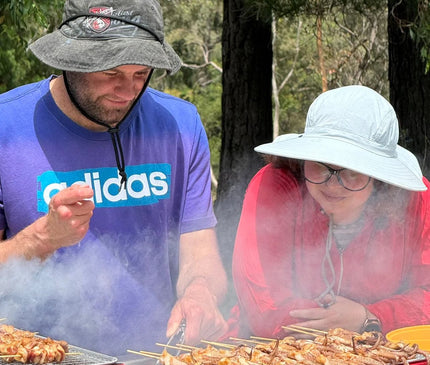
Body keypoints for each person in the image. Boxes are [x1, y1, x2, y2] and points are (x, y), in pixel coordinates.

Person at [0, 0, 227, 356]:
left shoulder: (180, 125)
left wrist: (201, 290)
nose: (128, 91)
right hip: (37, 357)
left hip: (158, 355)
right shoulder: (7, 127)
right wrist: (41, 239)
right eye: (111, 73)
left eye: (141, 73)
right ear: (70, 61)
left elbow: (200, 252)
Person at [229, 85, 430, 339]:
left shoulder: (417, 198)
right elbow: (263, 304)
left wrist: (368, 317)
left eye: (352, 170)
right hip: (270, 348)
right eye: (321, 165)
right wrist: (339, 326)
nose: (333, 183)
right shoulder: (275, 185)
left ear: (380, 177)